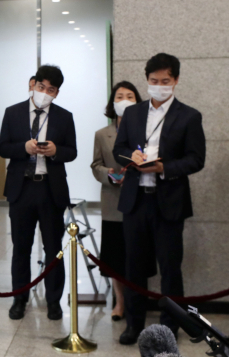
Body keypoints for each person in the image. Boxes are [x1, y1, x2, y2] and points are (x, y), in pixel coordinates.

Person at [113, 53, 206, 345]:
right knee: (134, 268)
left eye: (165, 81)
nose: (159, 86)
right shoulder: (132, 113)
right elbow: (119, 149)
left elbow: (196, 159)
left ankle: (170, 327)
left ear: (175, 80)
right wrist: (131, 156)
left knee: (170, 268)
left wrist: (164, 167)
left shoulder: (189, 116)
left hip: (169, 202)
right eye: (154, 81)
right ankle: (134, 324)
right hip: (135, 201)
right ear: (147, 80)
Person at [0, 65, 77, 321]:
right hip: (21, 188)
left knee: (53, 248)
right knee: (21, 247)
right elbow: (2, 148)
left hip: (50, 189)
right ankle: (19, 299)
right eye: (41, 87)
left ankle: (53, 301)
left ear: (56, 93)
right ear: (33, 85)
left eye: (51, 90)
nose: (44, 92)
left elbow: (72, 151)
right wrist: (23, 148)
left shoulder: (64, 116)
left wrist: (56, 151)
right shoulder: (13, 112)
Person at [91, 81, 142, 321]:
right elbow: (96, 165)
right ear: (113, 103)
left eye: (130, 96)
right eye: (119, 96)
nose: (124, 101)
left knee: (138, 256)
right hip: (114, 202)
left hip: (140, 201)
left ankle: (137, 301)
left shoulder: (145, 131)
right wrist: (109, 175)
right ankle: (120, 301)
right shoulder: (102, 134)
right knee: (116, 256)